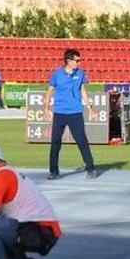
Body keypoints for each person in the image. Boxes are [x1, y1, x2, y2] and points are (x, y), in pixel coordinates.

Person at [43, 49, 96, 180]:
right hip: (59, 113)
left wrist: (90, 109)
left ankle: (90, 168)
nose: (79, 63)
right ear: (68, 61)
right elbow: (49, 92)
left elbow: (83, 91)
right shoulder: (57, 74)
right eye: (77, 60)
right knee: (55, 143)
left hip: (76, 113)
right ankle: (53, 171)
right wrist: (46, 109)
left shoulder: (81, 73)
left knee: (82, 141)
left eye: (79, 60)